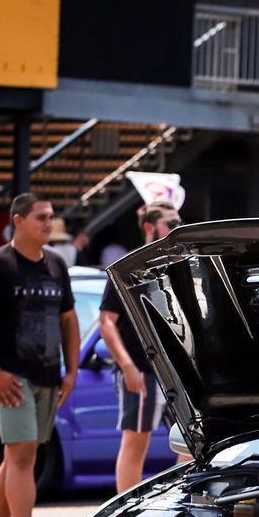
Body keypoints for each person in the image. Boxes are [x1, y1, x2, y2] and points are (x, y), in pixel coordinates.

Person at [0, 194, 80, 517]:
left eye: (51, 216)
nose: (48, 223)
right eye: (41, 217)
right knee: (23, 454)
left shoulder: (56, 264)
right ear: (17, 221)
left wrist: (71, 371)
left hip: (48, 374)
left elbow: (69, 320)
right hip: (12, 375)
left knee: (17, 454)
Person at [98, 200, 181, 492]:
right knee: (136, 442)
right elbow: (105, 322)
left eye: (179, 222)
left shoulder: (175, 266)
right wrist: (127, 367)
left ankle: (179, 504)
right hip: (140, 367)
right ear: (149, 227)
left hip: (173, 370)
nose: (177, 228)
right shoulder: (127, 266)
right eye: (170, 223)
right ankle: (123, 514)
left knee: (190, 442)